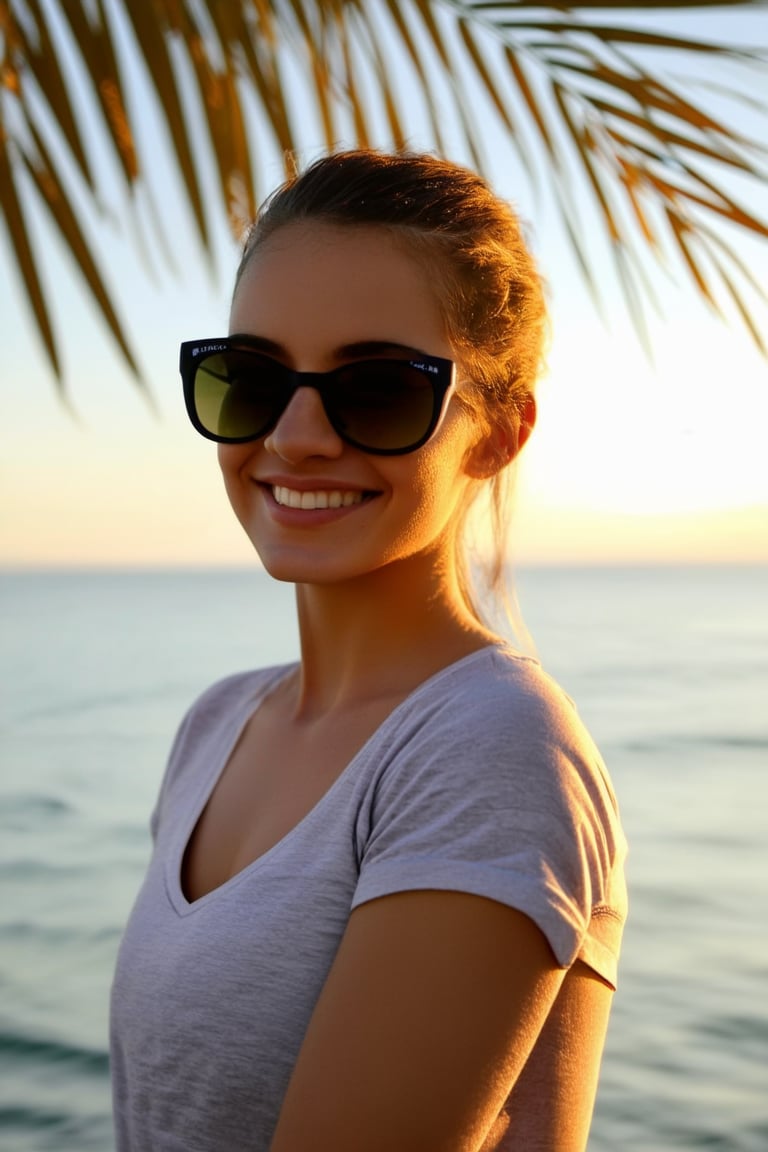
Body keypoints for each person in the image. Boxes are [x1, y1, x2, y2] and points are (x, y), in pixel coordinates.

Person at [110, 149, 627, 1152]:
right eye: (251, 380)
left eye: (380, 389)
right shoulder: (218, 726)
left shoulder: (490, 748)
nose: (297, 436)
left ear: (497, 435)